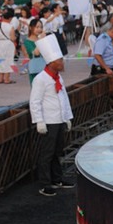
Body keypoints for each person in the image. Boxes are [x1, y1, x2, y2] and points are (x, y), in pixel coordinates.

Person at [29, 34, 74, 197]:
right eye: (60, 60)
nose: (62, 63)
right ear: (51, 62)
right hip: (49, 121)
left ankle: (57, 178)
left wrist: (68, 117)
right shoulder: (40, 79)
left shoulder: (58, 77)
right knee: (47, 153)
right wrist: (39, 121)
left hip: (59, 119)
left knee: (57, 151)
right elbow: (35, 101)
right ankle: (45, 183)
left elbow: (64, 97)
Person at [0, 8, 17, 84]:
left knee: (0, 59)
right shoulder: (10, 27)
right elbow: (13, 38)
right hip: (8, 43)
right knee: (8, 60)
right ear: (10, 18)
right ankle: (7, 78)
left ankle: (0, 78)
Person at [24, 18, 45, 85]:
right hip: (35, 69)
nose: (39, 29)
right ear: (31, 28)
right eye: (37, 27)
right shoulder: (27, 41)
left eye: (41, 27)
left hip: (45, 68)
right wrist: (41, 39)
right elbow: (36, 53)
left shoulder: (41, 39)